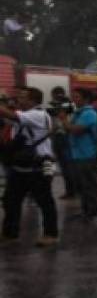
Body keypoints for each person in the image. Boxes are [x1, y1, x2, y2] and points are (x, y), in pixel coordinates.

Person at [0, 87, 59, 246]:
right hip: (22, 165)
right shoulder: (25, 116)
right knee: (10, 200)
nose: (18, 99)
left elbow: (10, 115)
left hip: (38, 165)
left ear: (33, 101)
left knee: (44, 201)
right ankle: (10, 233)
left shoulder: (37, 115)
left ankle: (51, 235)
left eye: (23, 97)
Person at [59, 88, 97, 221]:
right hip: (77, 153)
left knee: (89, 184)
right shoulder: (77, 113)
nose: (74, 99)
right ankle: (86, 210)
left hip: (88, 154)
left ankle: (94, 211)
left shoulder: (89, 113)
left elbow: (76, 130)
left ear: (86, 99)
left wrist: (63, 119)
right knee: (82, 185)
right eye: (73, 96)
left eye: (77, 97)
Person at [47, 86, 77, 200]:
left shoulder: (70, 104)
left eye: (58, 96)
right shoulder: (54, 105)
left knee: (68, 166)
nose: (56, 99)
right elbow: (51, 113)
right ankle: (71, 190)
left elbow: (67, 112)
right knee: (65, 166)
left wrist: (61, 104)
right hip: (58, 136)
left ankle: (72, 190)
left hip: (65, 135)